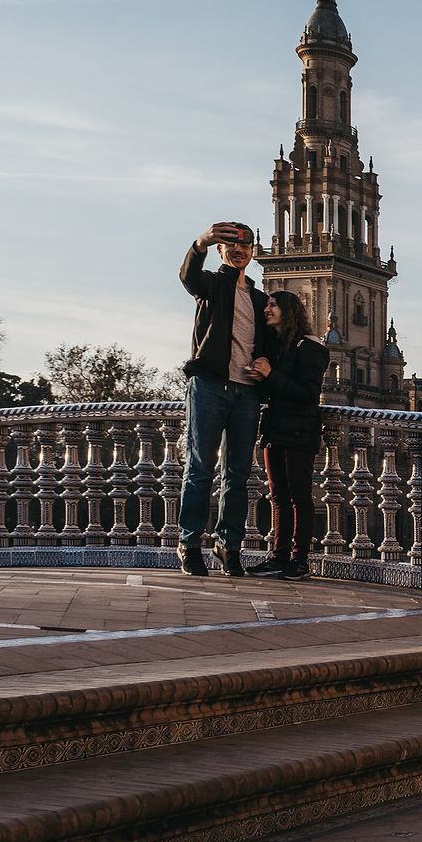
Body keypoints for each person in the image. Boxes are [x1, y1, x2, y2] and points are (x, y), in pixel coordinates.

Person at [176, 222, 274, 577]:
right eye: (231, 246)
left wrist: (267, 363)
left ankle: (229, 545)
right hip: (210, 385)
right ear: (221, 251)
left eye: (245, 246)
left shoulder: (261, 299)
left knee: (237, 474)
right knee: (200, 468)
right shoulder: (212, 285)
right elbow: (188, 276)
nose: (239, 251)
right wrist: (200, 241)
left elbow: (274, 343)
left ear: (253, 252)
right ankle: (189, 543)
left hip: (246, 392)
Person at [245, 291, 328, 580]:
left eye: (272, 304)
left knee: (299, 497)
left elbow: (307, 394)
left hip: (299, 431)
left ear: (289, 310)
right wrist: (260, 378)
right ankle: (279, 557)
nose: (266, 309)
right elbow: (275, 390)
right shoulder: (279, 347)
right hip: (275, 431)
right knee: (278, 496)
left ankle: (299, 560)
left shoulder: (310, 348)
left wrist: (271, 375)